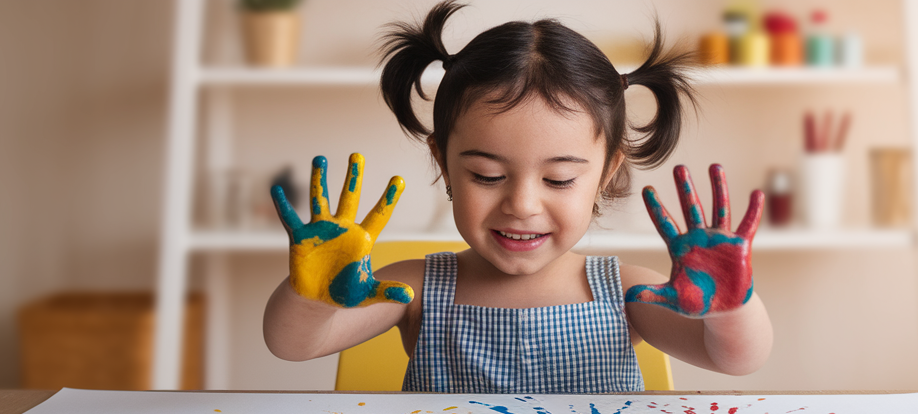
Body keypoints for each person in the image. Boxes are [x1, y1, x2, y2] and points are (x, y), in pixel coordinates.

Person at [261, 0, 773, 393]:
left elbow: (735, 359)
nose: (522, 205)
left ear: (607, 170)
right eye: (487, 175)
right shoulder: (415, 288)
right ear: (443, 162)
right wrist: (310, 296)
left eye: (558, 180)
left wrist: (731, 307)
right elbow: (291, 346)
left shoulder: (625, 293)